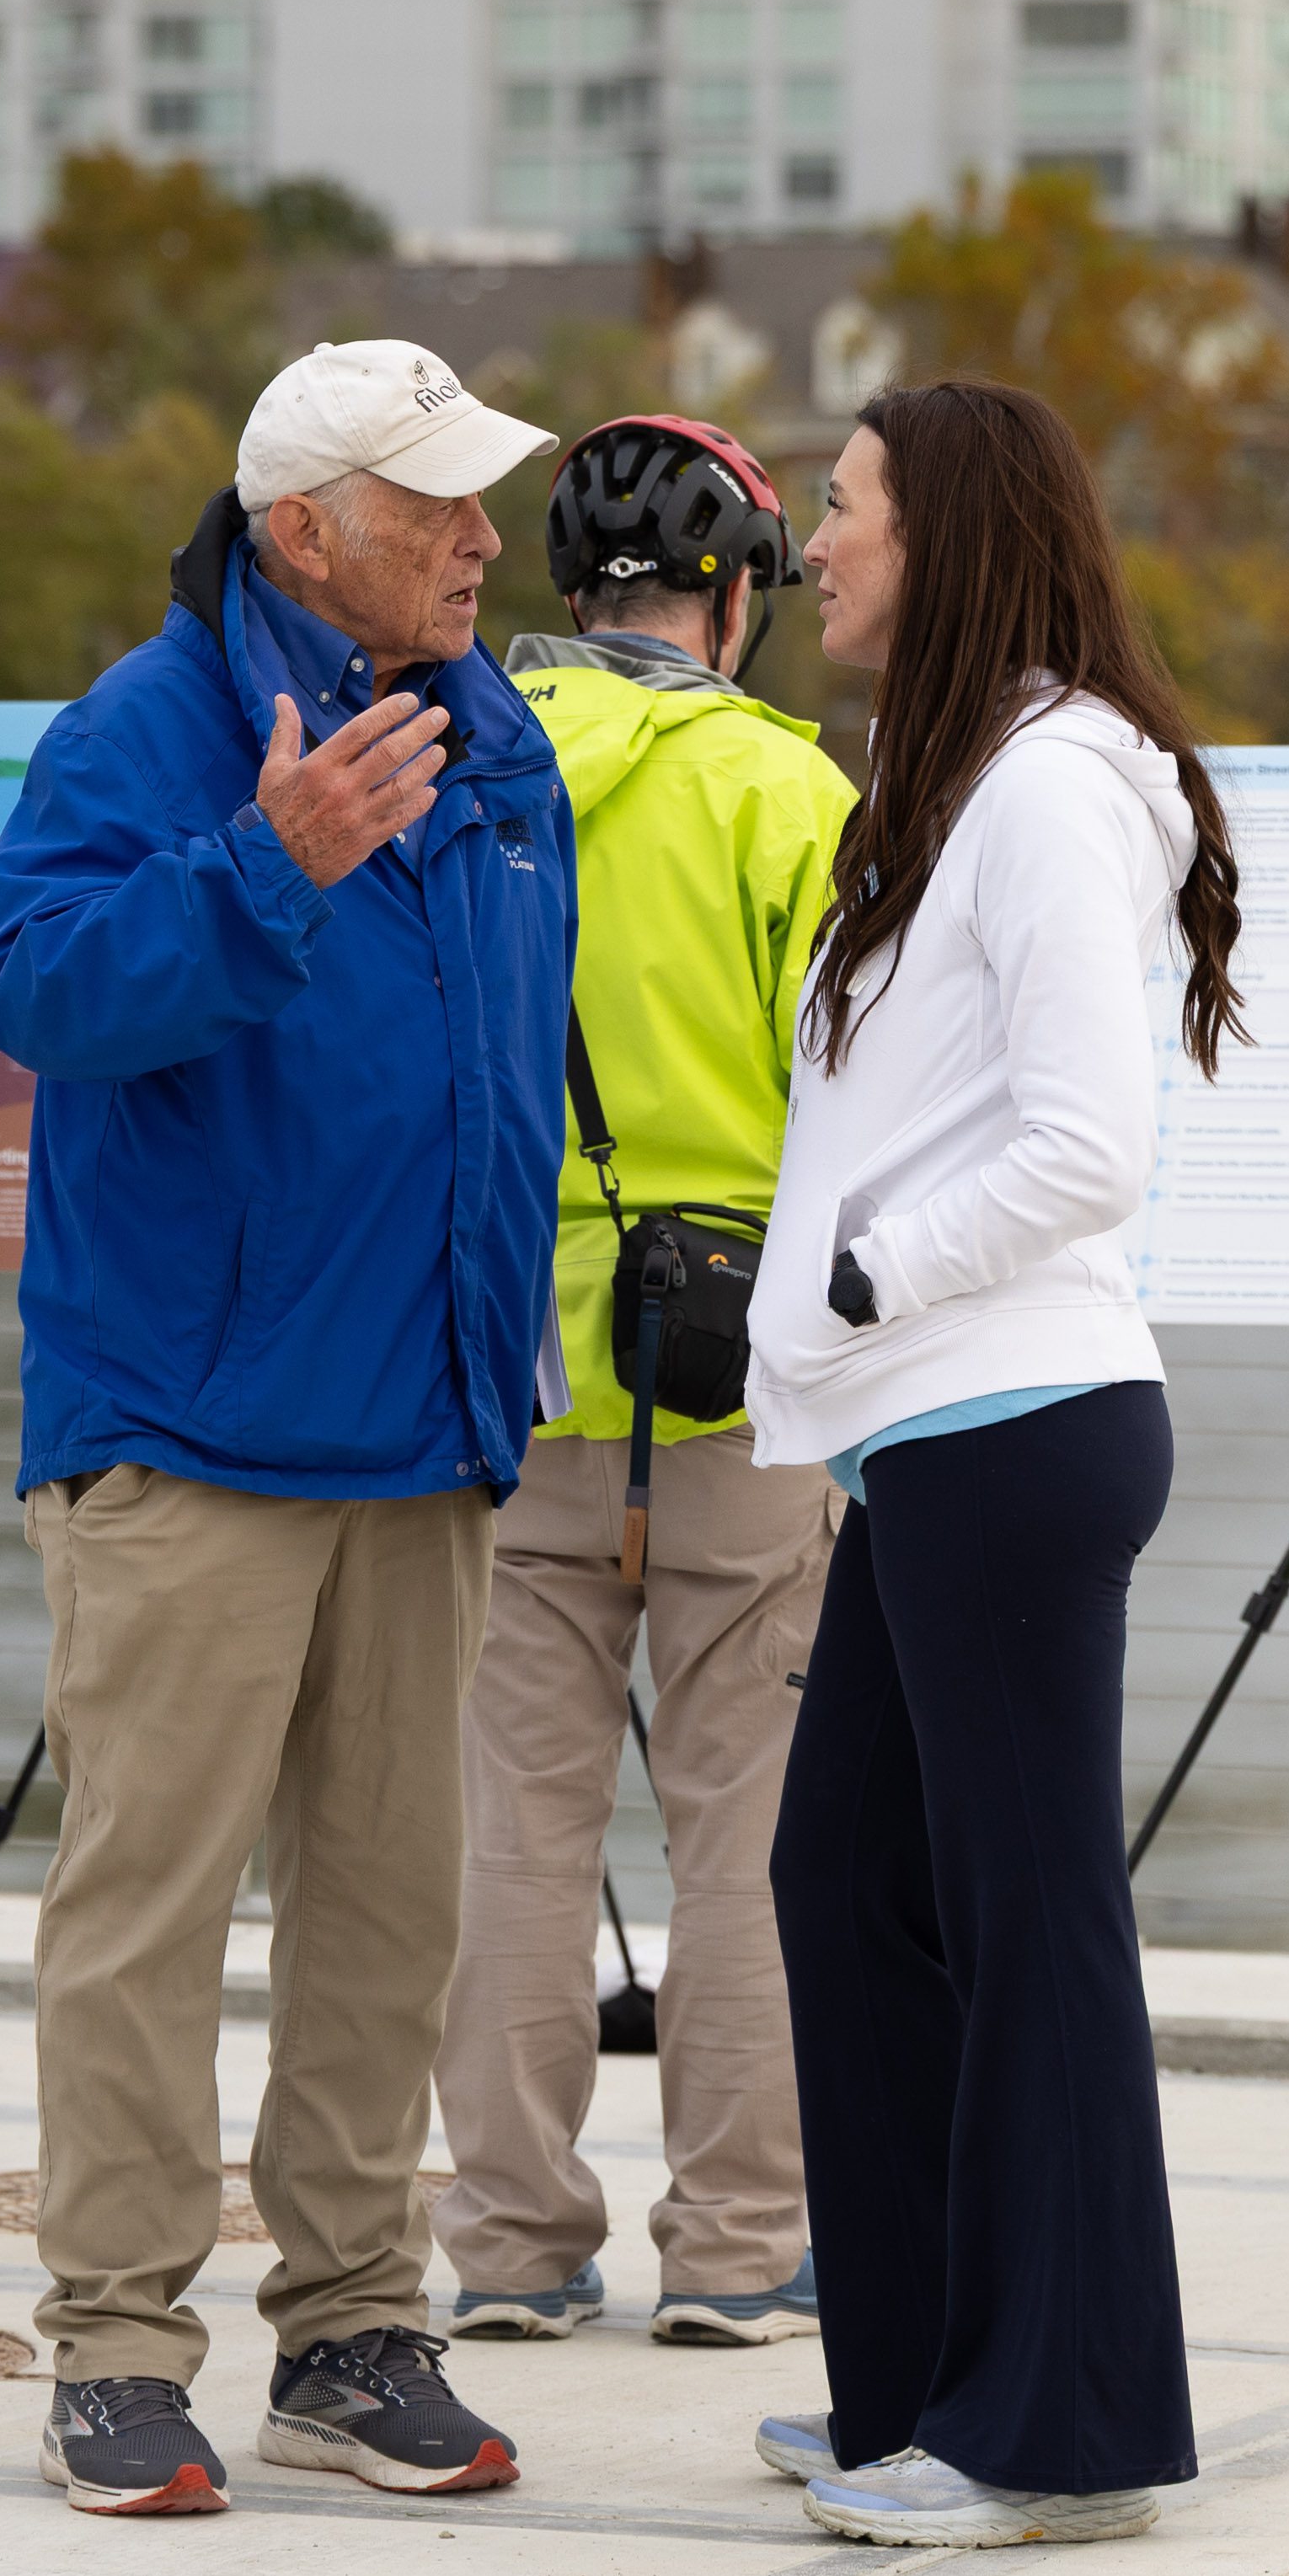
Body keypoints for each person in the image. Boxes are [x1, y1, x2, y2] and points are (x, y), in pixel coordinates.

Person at [0, 338, 573, 2518]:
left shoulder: (505, 751)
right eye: (436, 506)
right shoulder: (137, 735)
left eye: (481, 501)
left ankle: (350, 2329)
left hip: (427, 1428)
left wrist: (507, 1362)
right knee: (144, 1911)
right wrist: (264, 863)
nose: (483, 537)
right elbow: (35, 996)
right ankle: (119, 2351)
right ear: (307, 526)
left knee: (395, 1914)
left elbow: (502, 1085)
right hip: (189, 1436)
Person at [737, 377, 1244, 2550]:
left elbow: (1084, 1145)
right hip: (931, 1438)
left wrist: (869, 1289)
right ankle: (924, 2384)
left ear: (941, 531)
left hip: (1012, 1417)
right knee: (842, 1887)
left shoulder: (1046, 789)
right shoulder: (950, 784)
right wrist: (860, 1376)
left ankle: (1058, 2434)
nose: (810, 548)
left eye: (839, 508)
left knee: (1036, 1925)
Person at [436, 415, 848, 2352]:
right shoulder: (788, 793)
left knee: (514, 1816)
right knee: (745, 1823)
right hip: (745, 1360)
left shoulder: (464, 766)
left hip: (512, 1361)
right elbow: (852, 1092)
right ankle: (744, 2248)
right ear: (737, 597)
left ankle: (513, 2243)